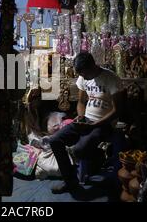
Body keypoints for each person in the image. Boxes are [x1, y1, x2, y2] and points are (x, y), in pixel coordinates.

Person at [48, 51, 123, 200]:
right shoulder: (83, 77)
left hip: (104, 123)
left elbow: (117, 110)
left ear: (93, 66)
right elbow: (81, 102)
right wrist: (81, 116)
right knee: (54, 140)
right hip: (87, 121)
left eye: (84, 74)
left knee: (80, 150)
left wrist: (95, 124)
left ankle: (99, 160)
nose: (82, 77)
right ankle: (70, 182)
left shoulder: (111, 78)